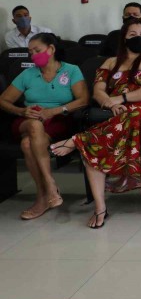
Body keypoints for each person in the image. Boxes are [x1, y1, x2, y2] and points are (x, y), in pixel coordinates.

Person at [49, 20, 141, 224]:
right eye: (133, 34)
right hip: (116, 116)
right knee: (97, 146)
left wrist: (120, 99)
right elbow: (98, 91)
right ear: (124, 38)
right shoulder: (109, 62)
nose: (138, 37)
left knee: (136, 115)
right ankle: (100, 208)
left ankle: (78, 141)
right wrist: (109, 103)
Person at [0, 33, 89, 220]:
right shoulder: (28, 73)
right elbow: (4, 100)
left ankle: (42, 198)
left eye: (37, 50)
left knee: (27, 145)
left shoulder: (71, 70)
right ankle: (50, 185)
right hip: (27, 119)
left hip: (57, 120)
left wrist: (55, 111)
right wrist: (20, 111)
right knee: (33, 125)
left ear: (51, 49)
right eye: (30, 52)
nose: (33, 55)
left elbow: (83, 100)